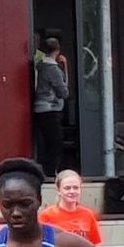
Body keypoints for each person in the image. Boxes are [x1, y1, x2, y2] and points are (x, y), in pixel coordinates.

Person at [31, 36, 69, 178]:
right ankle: (50, 174)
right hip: (50, 110)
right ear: (57, 51)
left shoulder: (40, 65)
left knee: (44, 144)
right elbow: (63, 92)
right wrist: (65, 68)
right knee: (55, 144)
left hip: (40, 109)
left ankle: (45, 171)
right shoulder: (53, 69)